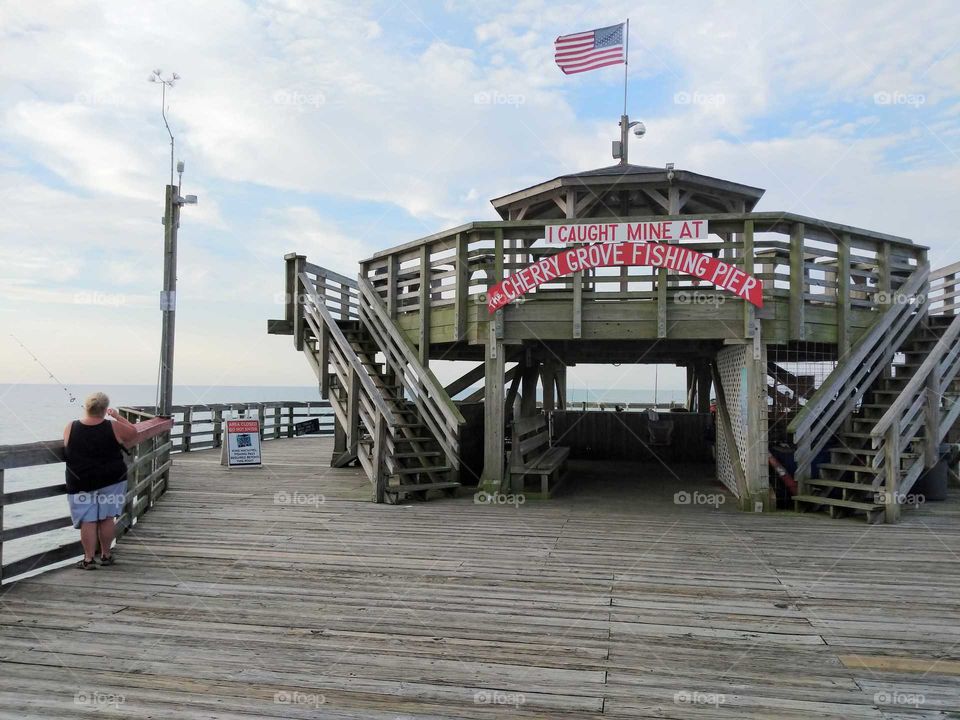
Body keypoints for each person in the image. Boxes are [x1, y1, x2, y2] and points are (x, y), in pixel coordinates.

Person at [63, 392, 139, 569]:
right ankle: (106, 555)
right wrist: (117, 416)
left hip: (80, 481)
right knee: (106, 518)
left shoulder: (71, 427)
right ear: (105, 410)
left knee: (87, 520)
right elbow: (134, 433)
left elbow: (68, 447)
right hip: (111, 480)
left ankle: (88, 559)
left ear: (87, 408)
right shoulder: (112, 426)